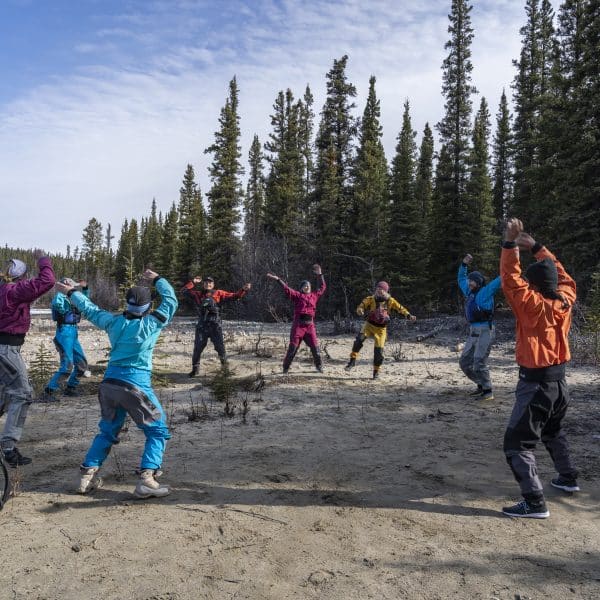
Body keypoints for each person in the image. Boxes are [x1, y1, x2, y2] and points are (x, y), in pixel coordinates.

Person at [56, 269, 178, 499]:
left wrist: (72, 292)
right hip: (136, 385)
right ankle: (147, 480)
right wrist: (159, 279)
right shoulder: (152, 324)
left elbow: (91, 310)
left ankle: (85, 478)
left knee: (108, 430)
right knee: (158, 431)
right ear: (147, 307)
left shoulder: (113, 322)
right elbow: (171, 300)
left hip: (110, 384)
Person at [500, 218, 578, 519]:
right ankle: (568, 478)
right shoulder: (565, 301)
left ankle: (534, 503)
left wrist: (510, 244)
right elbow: (565, 277)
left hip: (536, 385)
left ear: (533, 285)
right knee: (553, 430)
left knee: (516, 444)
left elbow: (510, 279)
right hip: (560, 386)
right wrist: (536, 247)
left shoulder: (532, 304)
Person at [0, 254, 55, 467]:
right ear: (21, 276)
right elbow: (47, 281)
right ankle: (8, 448)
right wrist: (44, 261)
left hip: (4, 348)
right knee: (22, 394)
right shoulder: (14, 291)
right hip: (7, 349)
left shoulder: (4, 290)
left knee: (5, 392)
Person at [181, 276, 251, 377]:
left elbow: (235, 296)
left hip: (215, 325)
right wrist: (193, 282)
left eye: (210, 283)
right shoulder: (198, 294)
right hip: (202, 325)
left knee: (220, 348)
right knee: (197, 348)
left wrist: (243, 290)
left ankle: (225, 369)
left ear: (213, 285)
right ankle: (195, 369)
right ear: (203, 284)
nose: (208, 284)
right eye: (206, 283)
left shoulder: (219, 293)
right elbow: (184, 291)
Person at [345, 281, 416, 379]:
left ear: (386, 291)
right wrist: (360, 310)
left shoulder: (390, 301)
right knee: (358, 341)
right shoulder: (370, 299)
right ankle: (352, 361)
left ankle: (376, 372)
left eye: (381, 289)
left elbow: (401, 308)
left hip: (381, 329)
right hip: (369, 325)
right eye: (378, 289)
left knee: (379, 352)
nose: (379, 291)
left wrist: (409, 316)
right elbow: (361, 306)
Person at [266, 264, 326, 374]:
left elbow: (322, 287)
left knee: (315, 349)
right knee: (293, 349)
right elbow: (286, 289)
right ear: (301, 288)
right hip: (298, 326)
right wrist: (278, 279)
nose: (307, 287)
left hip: (310, 326)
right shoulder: (297, 295)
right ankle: (285, 368)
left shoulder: (314, 295)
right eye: (305, 286)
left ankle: (319, 366)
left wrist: (320, 275)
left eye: (308, 286)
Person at [457, 254, 501, 401]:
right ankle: (480, 384)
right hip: (473, 332)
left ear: (479, 282)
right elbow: (461, 279)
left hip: (486, 331)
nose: (469, 282)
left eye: (472, 281)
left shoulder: (486, 292)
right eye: (469, 280)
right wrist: (464, 264)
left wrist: (510, 264)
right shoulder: (469, 291)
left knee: (478, 361)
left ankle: (488, 391)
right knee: (464, 362)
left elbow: (500, 280)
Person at [42, 278, 90, 400]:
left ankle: (70, 388)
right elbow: (57, 304)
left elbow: (85, 302)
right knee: (67, 366)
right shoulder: (59, 298)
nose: (72, 288)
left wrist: (85, 288)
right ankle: (48, 392)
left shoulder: (73, 297)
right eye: (70, 286)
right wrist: (62, 290)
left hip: (73, 332)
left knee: (81, 364)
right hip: (64, 332)